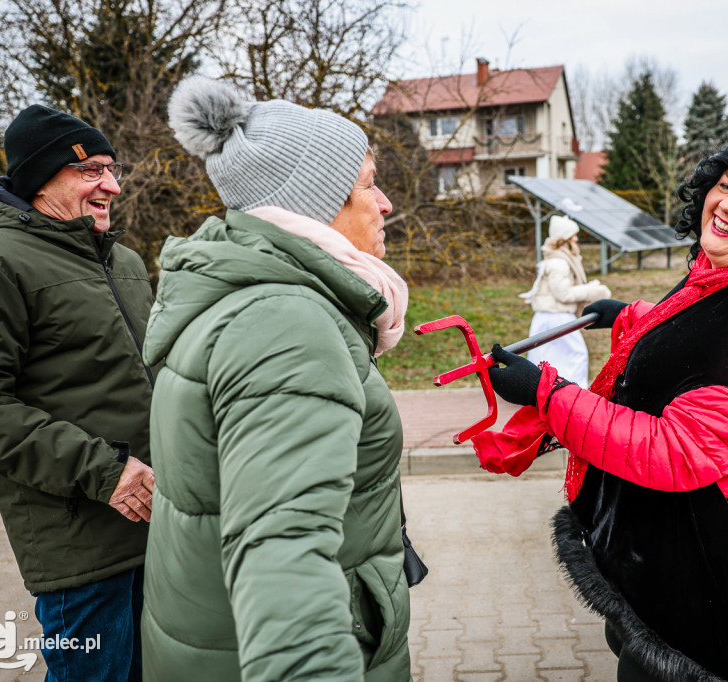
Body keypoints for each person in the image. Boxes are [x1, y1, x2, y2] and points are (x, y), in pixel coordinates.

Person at [471, 93, 728, 681]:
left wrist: (548, 394)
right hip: (676, 569)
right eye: (727, 184)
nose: (727, 205)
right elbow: (701, 347)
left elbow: (677, 449)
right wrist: (631, 316)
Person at [141, 76, 411, 680]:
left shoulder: (243, 297)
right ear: (315, 204)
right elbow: (283, 556)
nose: (386, 202)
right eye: (368, 184)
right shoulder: (285, 323)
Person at [0, 105, 155, 680]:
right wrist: (102, 471)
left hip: (156, 529)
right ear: (39, 180)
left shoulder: (125, 261)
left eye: (112, 168)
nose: (112, 185)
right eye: (90, 171)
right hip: (80, 545)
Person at [518, 215, 610, 386]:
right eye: (573, 235)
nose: (576, 239)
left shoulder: (559, 260)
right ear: (565, 239)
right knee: (576, 354)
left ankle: (550, 390)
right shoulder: (559, 263)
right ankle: (574, 392)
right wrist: (592, 292)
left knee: (546, 357)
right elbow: (563, 294)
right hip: (556, 318)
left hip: (551, 317)